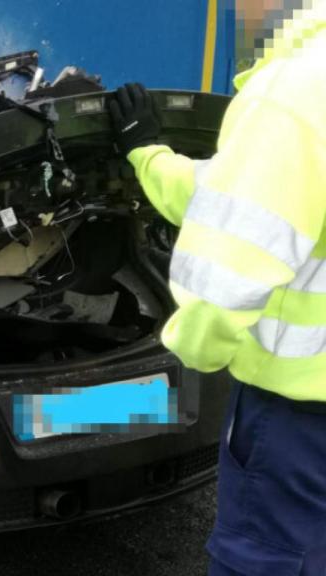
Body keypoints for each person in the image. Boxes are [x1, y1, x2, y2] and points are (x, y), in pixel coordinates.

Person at [108, 4, 326, 575]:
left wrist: (191, 356)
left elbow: (231, 264)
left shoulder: (295, 89)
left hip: (302, 421)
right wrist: (147, 154)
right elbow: (241, 201)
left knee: (268, 562)